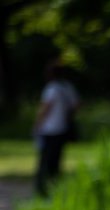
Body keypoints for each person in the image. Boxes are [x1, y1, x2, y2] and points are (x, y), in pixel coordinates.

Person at [33, 61, 80, 197]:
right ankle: (54, 187)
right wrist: (68, 116)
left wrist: (37, 124)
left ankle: (42, 190)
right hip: (62, 129)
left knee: (44, 161)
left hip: (49, 129)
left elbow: (45, 108)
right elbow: (77, 104)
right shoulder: (68, 87)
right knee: (56, 161)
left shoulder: (52, 88)